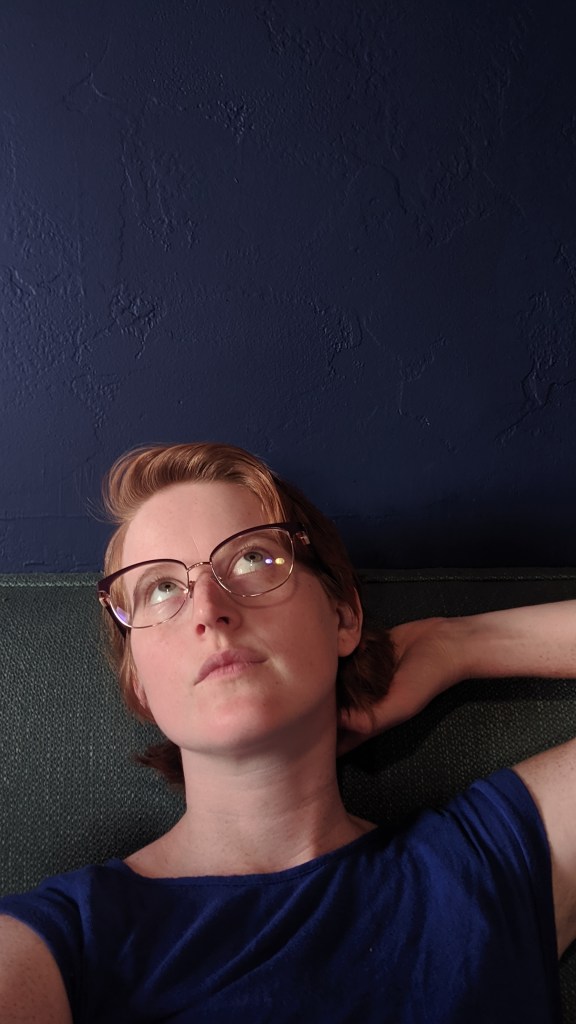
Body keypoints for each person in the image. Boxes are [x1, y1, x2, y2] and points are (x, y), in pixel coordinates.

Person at [0, 440, 574, 1023]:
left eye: (252, 558)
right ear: (138, 684)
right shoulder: (63, 942)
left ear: (343, 617)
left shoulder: (491, 862)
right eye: (161, 588)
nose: (208, 610)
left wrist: (458, 645)